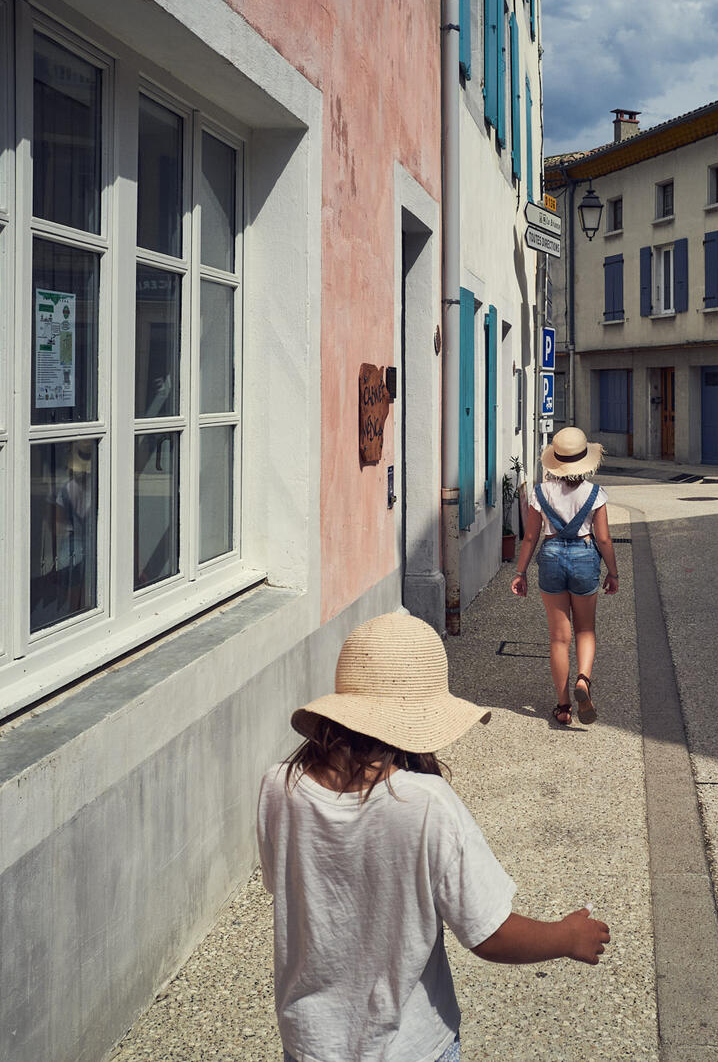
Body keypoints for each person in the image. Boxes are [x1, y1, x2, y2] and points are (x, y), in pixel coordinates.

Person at [257, 612, 611, 1062]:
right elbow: (488, 934)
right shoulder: (426, 804)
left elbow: (288, 888)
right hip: (409, 1047)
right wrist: (565, 936)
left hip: (308, 1044)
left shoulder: (278, 785)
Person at [510, 427, 620, 727]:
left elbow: (530, 537)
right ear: (585, 461)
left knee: (559, 638)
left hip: (551, 557)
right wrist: (613, 572)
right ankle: (583, 680)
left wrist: (520, 572)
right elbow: (605, 539)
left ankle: (563, 706)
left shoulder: (540, 493)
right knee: (586, 630)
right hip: (585, 557)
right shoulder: (595, 494)